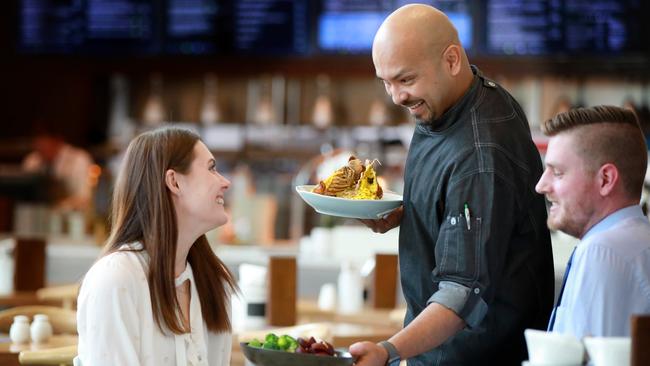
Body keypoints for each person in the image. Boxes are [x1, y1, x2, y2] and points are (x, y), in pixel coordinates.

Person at [351, 4, 554, 365]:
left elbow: (463, 294)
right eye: (386, 82)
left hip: (474, 355)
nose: (396, 97)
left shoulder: (480, 154)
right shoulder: (450, 100)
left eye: (406, 80)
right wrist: (406, 212)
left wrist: (388, 351)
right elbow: (464, 207)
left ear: (451, 60)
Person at [76, 127, 237, 365]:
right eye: (212, 168)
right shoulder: (115, 279)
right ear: (174, 182)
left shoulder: (215, 282)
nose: (225, 182)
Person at [535, 105, 650, 338]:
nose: (541, 186)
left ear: (606, 179)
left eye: (557, 173)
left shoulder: (602, 251)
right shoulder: (638, 241)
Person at [22, 132, 95, 210]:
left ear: (57, 140)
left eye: (44, 141)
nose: (39, 146)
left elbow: (85, 198)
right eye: (37, 141)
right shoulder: (32, 160)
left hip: (71, 217)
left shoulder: (79, 159)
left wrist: (60, 206)